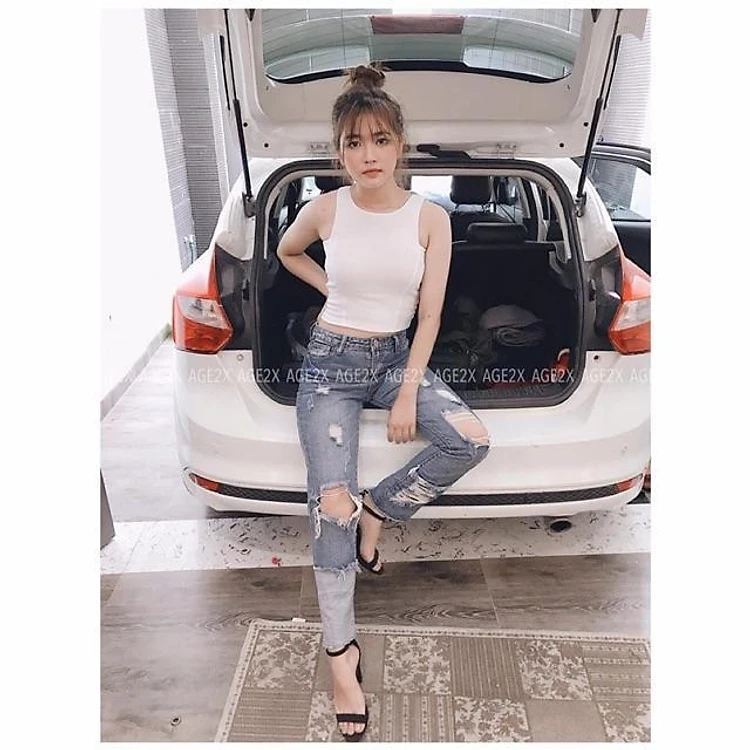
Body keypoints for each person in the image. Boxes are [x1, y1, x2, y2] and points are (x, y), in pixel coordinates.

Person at [277, 63, 491, 741]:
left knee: (470, 440)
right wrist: (330, 290)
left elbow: (429, 316)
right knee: (329, 511)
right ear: (339, 152)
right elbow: (287, 250)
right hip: (330, 367)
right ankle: (341, 657)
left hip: (398, 358)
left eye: (379, 139)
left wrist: (406, 393)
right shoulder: (325, 210)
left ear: (400, 144)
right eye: (353, 143)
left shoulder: (430, 218)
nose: (367, 154)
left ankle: (381, 510)